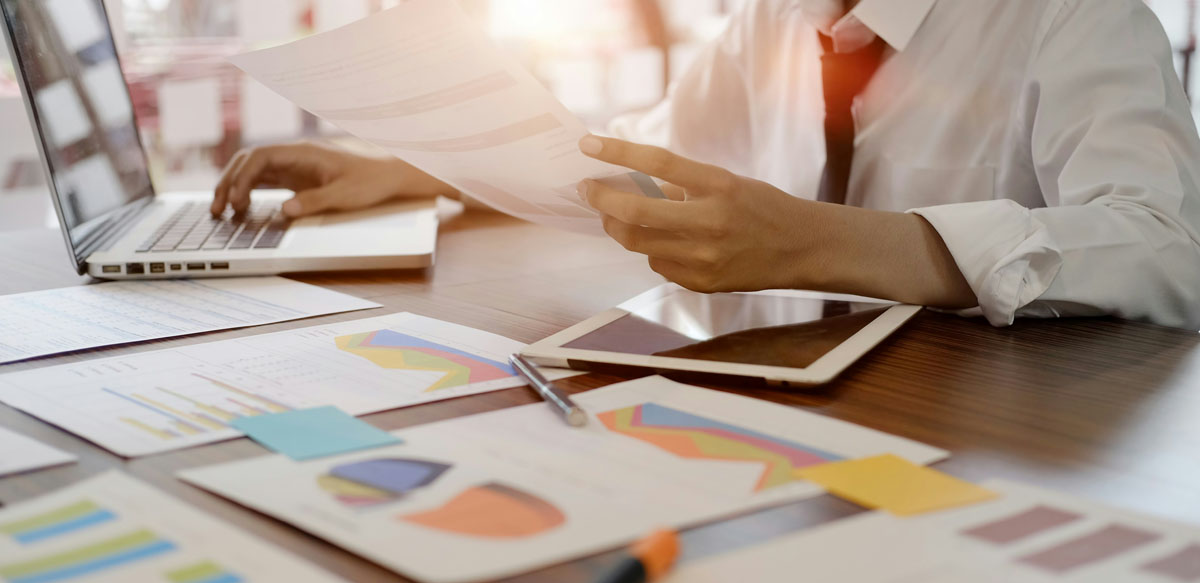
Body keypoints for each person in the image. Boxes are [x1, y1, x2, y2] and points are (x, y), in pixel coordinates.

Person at [211, 0, 1200, 329]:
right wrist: (419, 166)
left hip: (996, 464)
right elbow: (659, 154)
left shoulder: (1075, 17)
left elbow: (1169, 245)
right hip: (775, 434)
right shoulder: (769, 19)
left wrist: (838, 246)